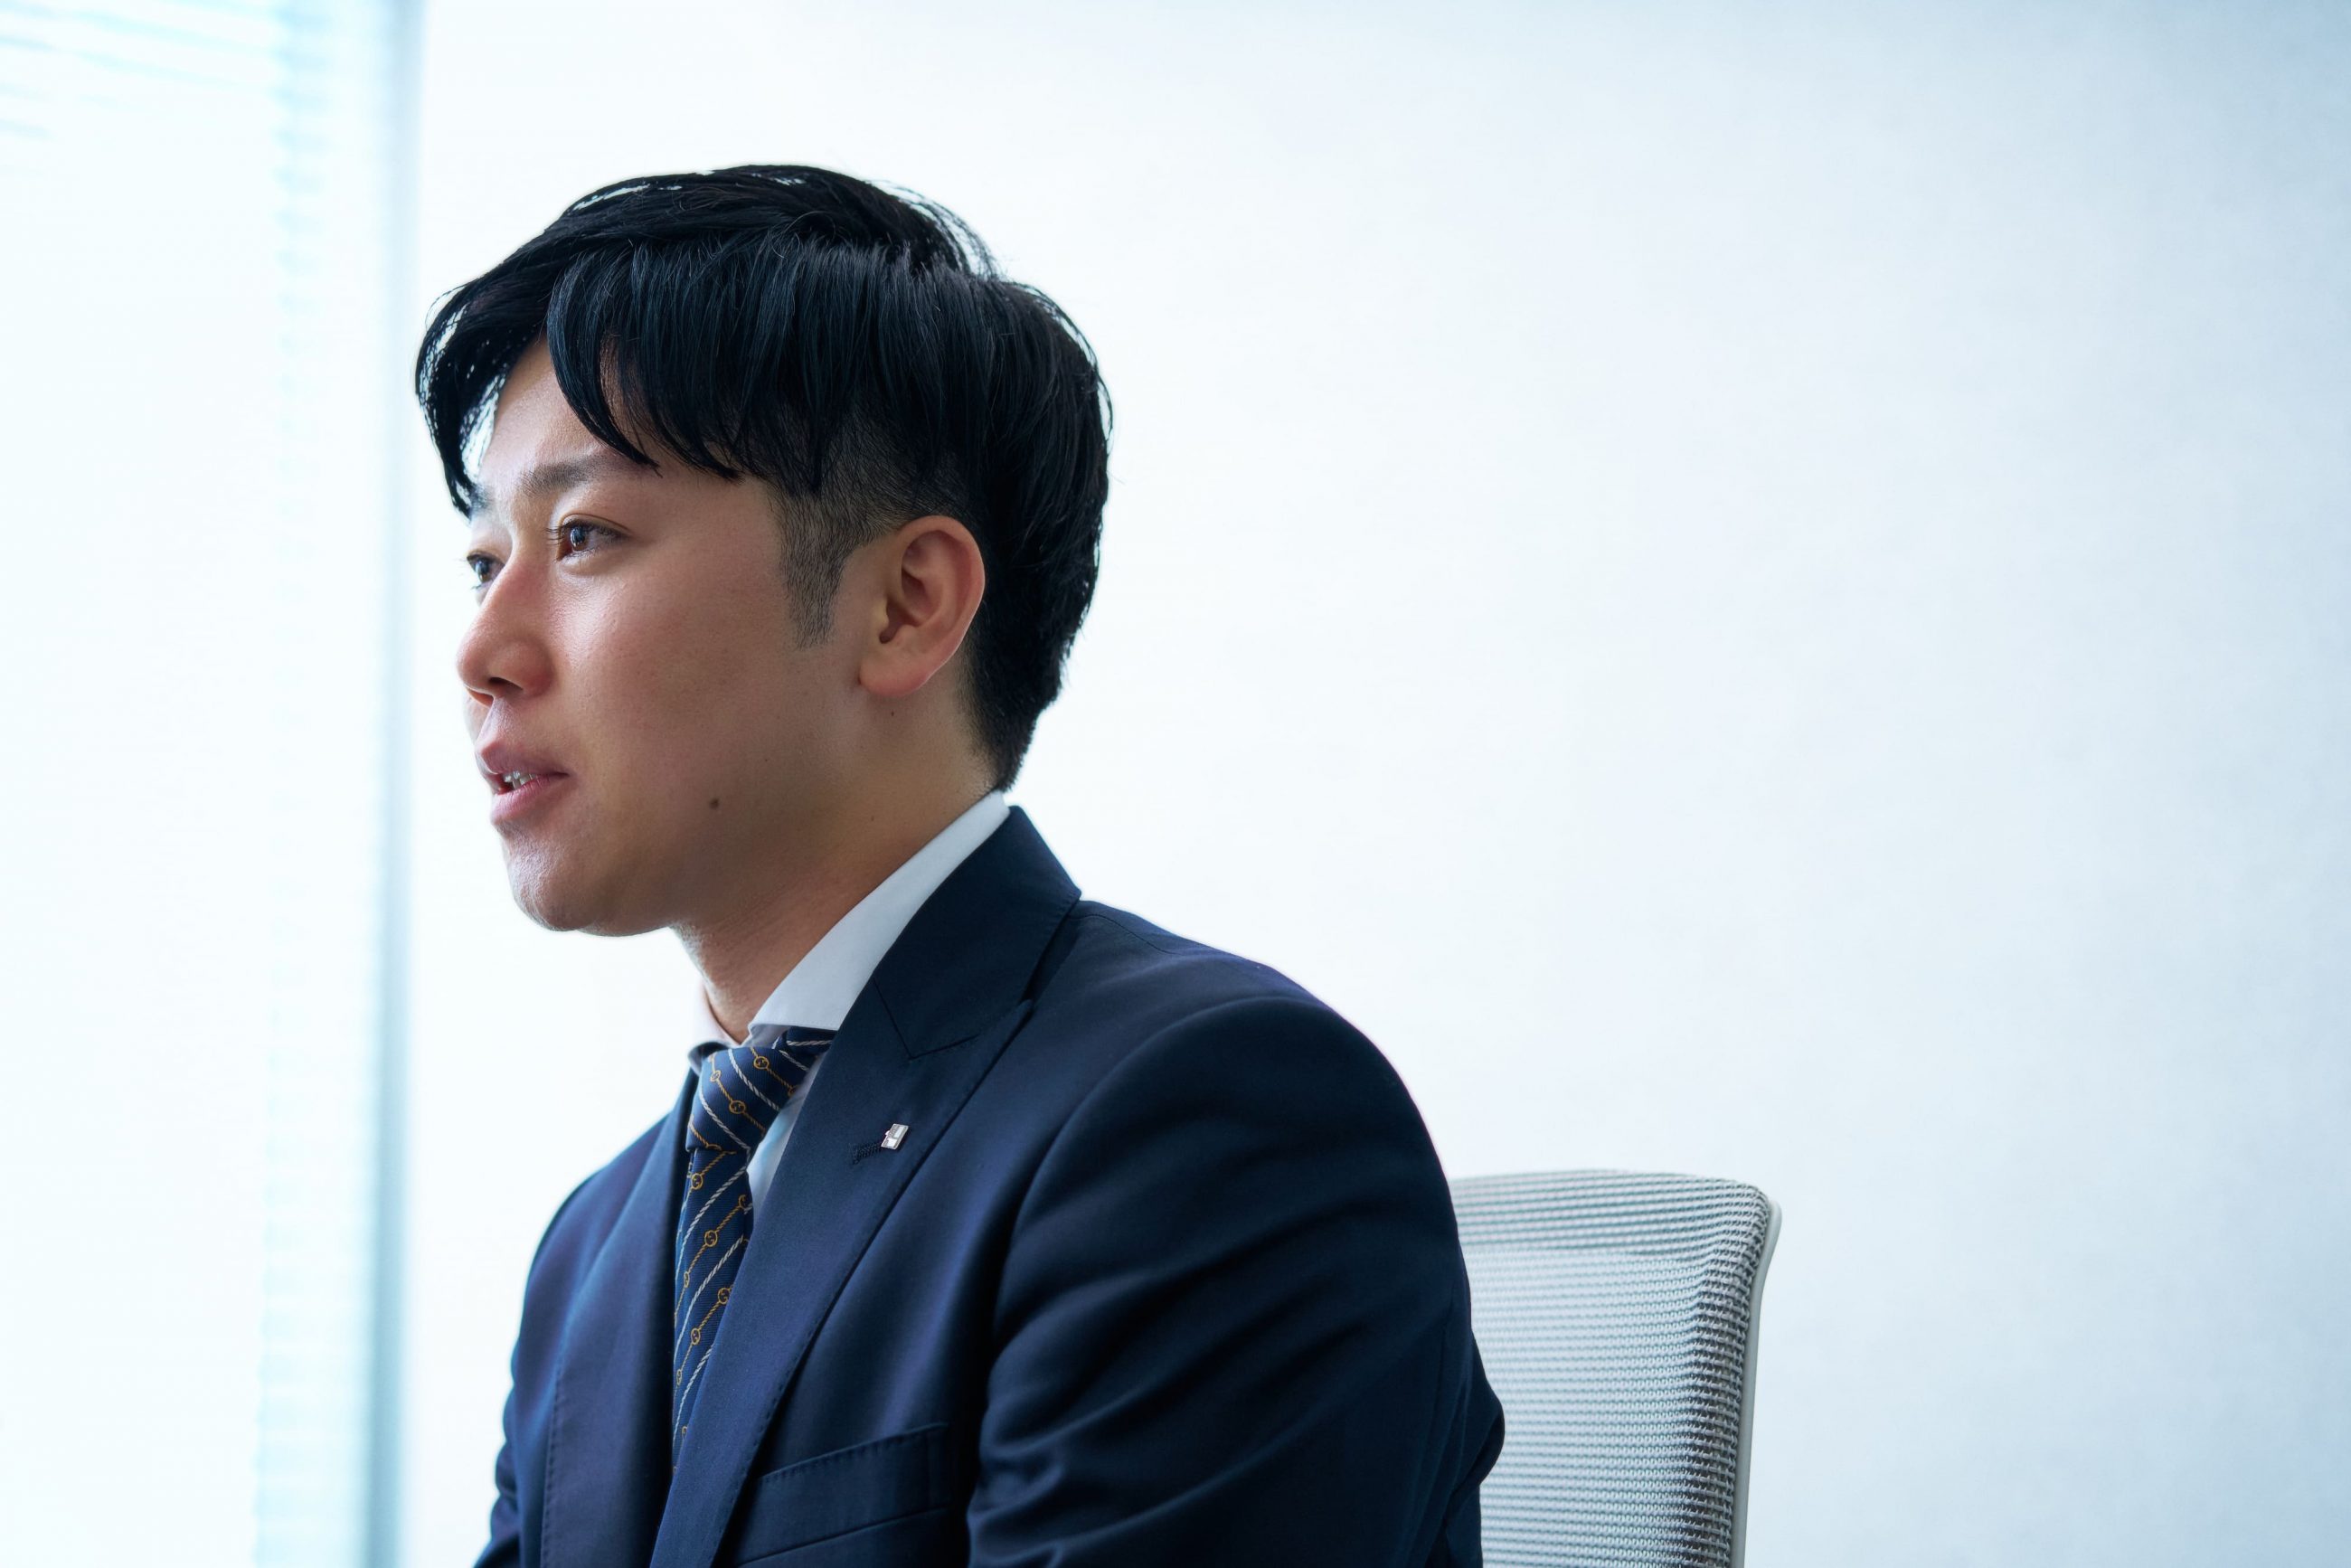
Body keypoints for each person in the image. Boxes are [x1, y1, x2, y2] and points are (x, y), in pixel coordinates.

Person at [420, 163, 1503, 1568]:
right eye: (483, 559)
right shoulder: (599, 1245)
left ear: (905, 604)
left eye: (583, 537)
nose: (482, 649)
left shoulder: (1207, 1123)